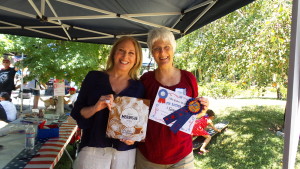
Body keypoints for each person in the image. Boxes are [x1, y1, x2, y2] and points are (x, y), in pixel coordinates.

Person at [136, 27, 209, 169]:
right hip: (149, 156)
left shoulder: (188, 78)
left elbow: (193, 113)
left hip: (182, 155)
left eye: (166, 47)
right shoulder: (146, 80)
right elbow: (138, 114)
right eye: (157, 48)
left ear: (173, 49)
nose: (162, 53)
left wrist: (202, 109)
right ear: (151, 52)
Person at [71, 36, 144, 169]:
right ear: (114, 53)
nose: (125, 56)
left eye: (131, 53)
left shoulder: (139, 86)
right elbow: (77, 112)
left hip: (125, 154)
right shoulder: (93, 78)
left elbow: (140, 123)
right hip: (93, 149)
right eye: (121, 50)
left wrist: (134, 137)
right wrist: (95, 108)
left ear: (137, 58)